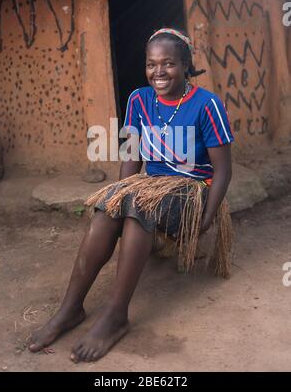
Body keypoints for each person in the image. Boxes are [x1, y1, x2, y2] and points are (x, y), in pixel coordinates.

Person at [29, 27, 234, 363]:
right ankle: (71, 308)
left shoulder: (206, 104)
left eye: (168, 63)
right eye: (152, 64)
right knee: (106, 211)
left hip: (193, 189)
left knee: (140, 207)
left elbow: (223, 169)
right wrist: (118, 194)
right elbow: (131, 153)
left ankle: (116, 314)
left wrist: (208, 217)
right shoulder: (139, 99)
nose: (159, 72)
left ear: (185, 64)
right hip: (151, 186)